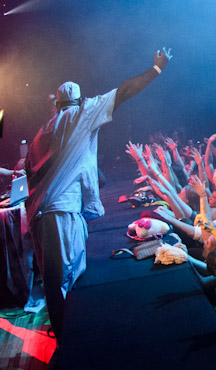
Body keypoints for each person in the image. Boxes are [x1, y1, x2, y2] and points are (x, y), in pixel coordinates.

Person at [25, 48, 172, 341]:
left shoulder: (44, 130)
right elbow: (124, 91)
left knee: (62, 279)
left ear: (56, 104)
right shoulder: (81, 114)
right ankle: (67, 344)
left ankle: (67, 336)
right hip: (58, 213)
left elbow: (30, 170)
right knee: (60, 281)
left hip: (45, 213)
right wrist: (157, 69)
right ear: (79, 101)